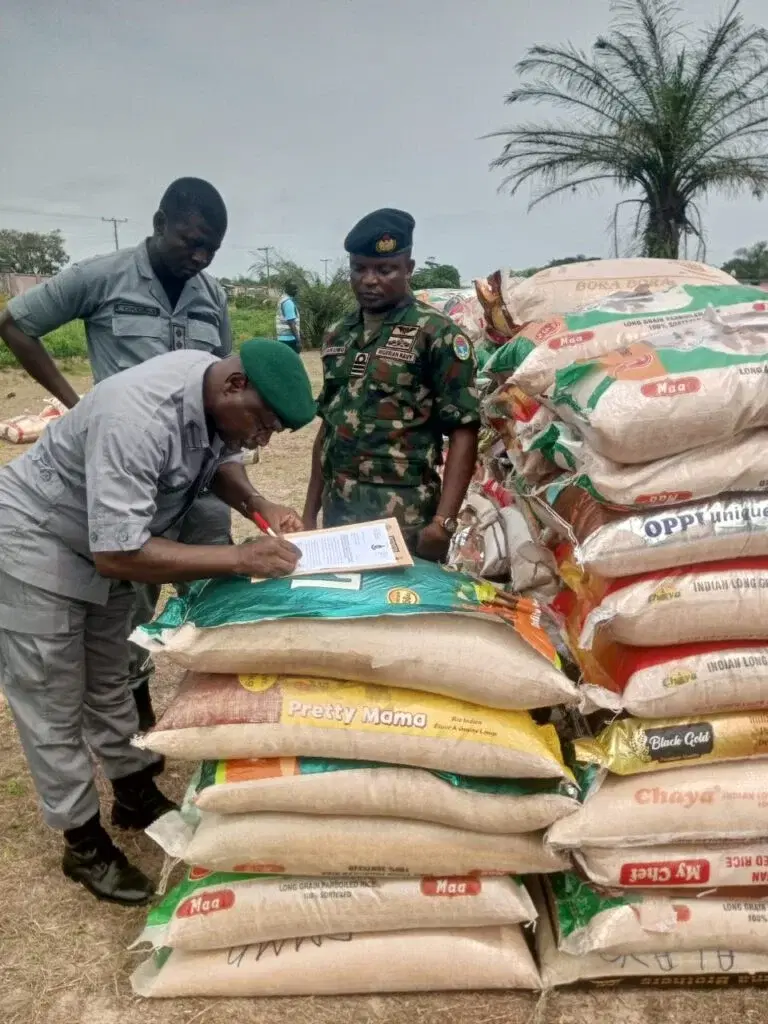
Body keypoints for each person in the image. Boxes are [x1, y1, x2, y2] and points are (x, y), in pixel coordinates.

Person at [0, 340, 316, 906]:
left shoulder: (213, 388)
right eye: (262, 424)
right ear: (235, 385)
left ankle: (133, 792)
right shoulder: (138, 417)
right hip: (39, 539)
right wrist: (239, 559)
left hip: (106, 541)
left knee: (110, 680)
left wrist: (258, 505)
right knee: (52, 697)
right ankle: (83, 842)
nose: (260, 439)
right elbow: (118, 554)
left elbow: (216, 458)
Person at [0, 178, 252, 731]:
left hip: (198, 474)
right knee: (131, 599)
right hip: (131, 471)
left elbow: (225, 375)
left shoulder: (210, 295)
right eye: (191, 241)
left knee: (220, 591)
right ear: (160, 223)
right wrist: (78, 405)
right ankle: (135, 716)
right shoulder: (102, 275)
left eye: (212, 248)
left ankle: (225, 706)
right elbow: (15, 323)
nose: (200, 256)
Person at [303, 209, 480, 561]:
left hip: (407, 518)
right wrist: (309, 513)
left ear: (408, 269)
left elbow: (464, 431)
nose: (369, 280)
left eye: (385, 270)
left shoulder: (438, 334)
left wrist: (444, 522)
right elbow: (329, 427)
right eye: (359, 268)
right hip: (339, 514)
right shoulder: (338, 334)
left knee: (405, 612)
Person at [276, 280, 302, 351]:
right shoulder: (288, 302)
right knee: (293, 361)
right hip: (289, 339)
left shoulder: (282, 299)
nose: (296, 291)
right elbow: (291, 323)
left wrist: (300, 333)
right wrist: (298, 340)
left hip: (283, 337)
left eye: (296, 288)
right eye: (294, 289)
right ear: (287, 289)